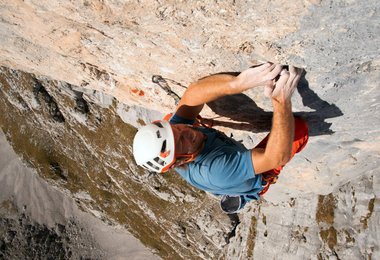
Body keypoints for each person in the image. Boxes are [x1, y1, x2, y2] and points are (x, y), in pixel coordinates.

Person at [133, 63, 309, 213]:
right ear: (180, 162)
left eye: (175, 129)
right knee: (298, 128)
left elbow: (193, 93)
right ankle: (243, 194)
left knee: (176, 115)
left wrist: (239, 82)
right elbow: (276, 157)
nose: (185, 131)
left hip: (222, 174)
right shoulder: (216, 170)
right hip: (251, 177)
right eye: (181, 141)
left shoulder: (175, 138)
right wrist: (281, 101)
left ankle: (228, 191)